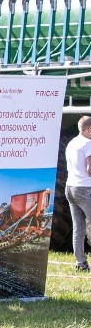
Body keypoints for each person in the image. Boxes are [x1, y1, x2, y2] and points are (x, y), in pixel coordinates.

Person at [65, 116, 91, 272]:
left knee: (78, 228)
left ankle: (80, 263)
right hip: (84, 189)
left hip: (70, 187)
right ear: (89, 129)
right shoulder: (88, 143)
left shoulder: (72, 142)